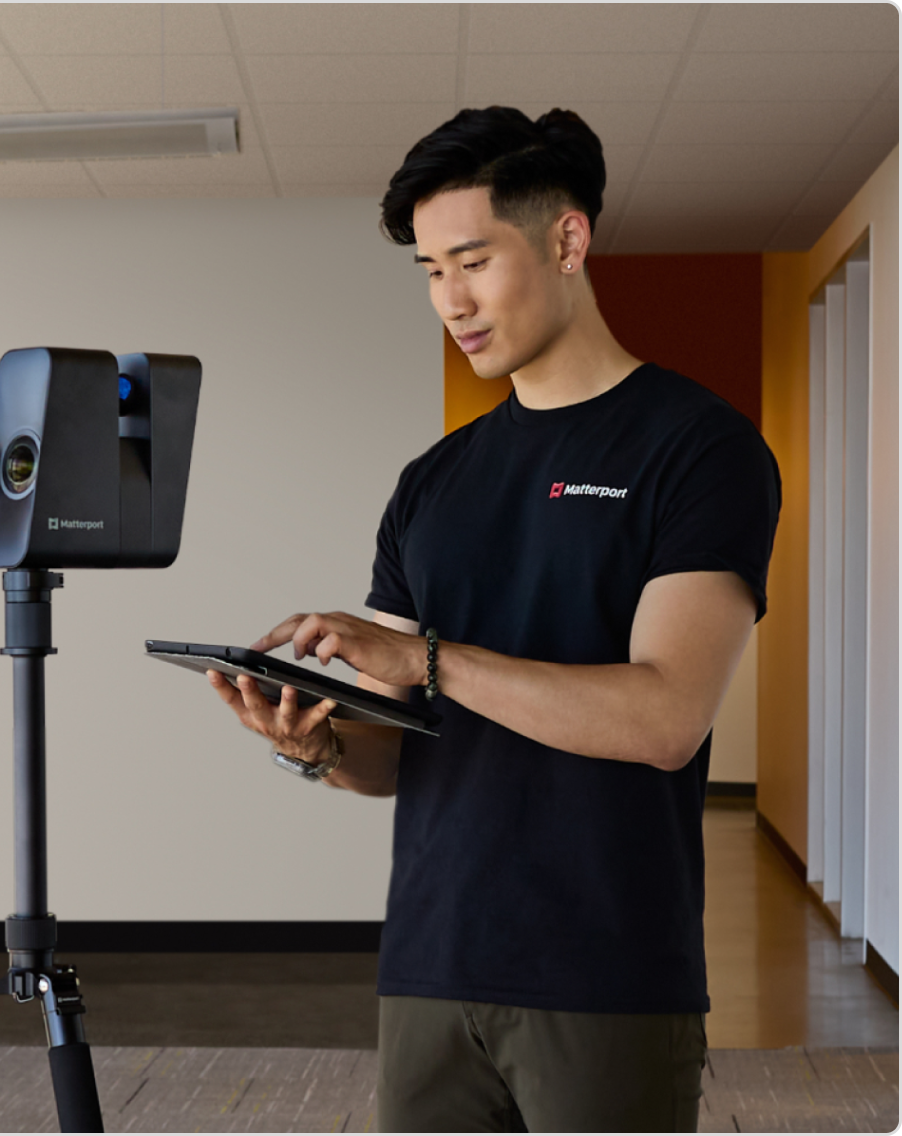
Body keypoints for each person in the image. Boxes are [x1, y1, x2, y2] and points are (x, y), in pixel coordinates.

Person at [206, 106, 781, 1133]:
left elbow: (663, 719)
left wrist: (426, 654)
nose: (450, 301)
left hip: (602, 972)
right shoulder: (434, 483)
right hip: (429, 965)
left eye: (471, 261)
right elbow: (392, 752)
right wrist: (315, 744)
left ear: (565, 240)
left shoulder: (698, 449)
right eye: (429, 271)